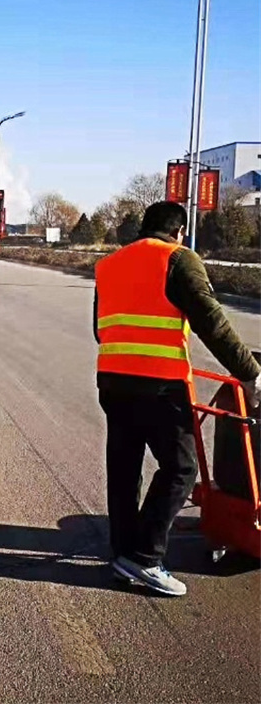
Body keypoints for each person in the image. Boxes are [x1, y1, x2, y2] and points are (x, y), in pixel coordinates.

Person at [94, 201, 261, 596]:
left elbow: (101, 330)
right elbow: (212, 324)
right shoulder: (178, 259)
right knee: (181, 469)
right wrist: (251, 374)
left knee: (124, 468)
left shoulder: (109, 265)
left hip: (113, 382)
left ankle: (122, 552)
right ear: (179, 231)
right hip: (160, 386)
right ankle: (145, 557)